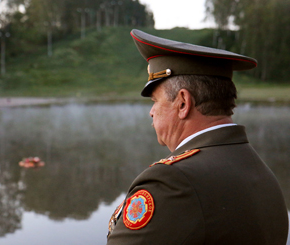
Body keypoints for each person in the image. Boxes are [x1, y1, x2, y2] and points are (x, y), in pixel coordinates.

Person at [106, 29, 289, 244]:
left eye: (155, 100)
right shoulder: (261, 171)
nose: (152, 111)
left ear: (183, 103)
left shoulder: (173, 182)